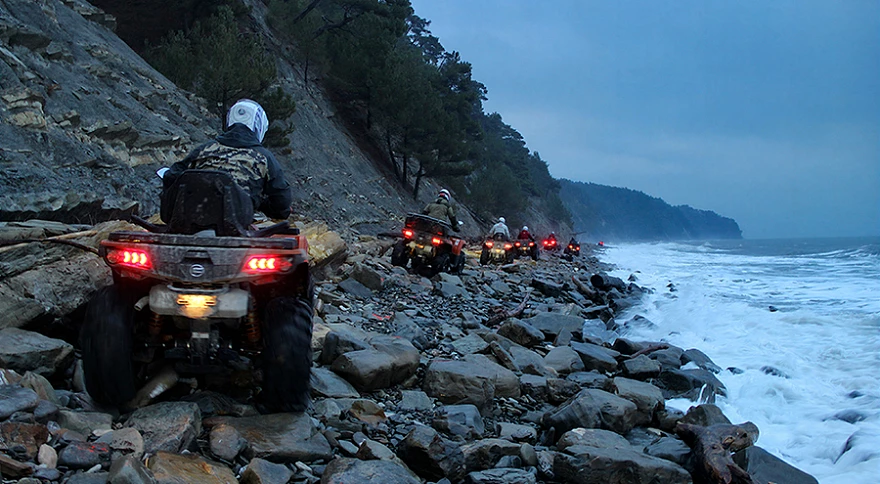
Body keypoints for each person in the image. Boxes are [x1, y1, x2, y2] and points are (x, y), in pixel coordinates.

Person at [161, 99, 293, 222]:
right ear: (259, 126)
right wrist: (261, 204)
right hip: (236, 222)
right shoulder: (264, 157)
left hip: (191, 219)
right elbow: (282, 202)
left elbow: (171, 176)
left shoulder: (204, 150)